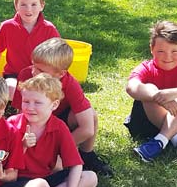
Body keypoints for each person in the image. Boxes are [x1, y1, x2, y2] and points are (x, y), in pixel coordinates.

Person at [12, 38, 112, 176]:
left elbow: (87, 128)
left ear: (61, 74)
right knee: (52, 168)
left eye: (40, 70)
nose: (34, 72)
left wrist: (60, 150)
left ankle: (87, 155)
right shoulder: (26, 74)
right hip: (35, 121)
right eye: (33, 65)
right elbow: (20, 115)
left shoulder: (70, 84)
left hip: (60, 121)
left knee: (91, 116)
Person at [10, 74, 102, 187]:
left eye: (38, 102)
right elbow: (4, 164)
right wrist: (22, 146)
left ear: (54, 105)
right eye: (26, 101)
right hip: (19, 182)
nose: (30, 107)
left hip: (47, 179)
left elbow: (75, 164)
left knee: (90, 177)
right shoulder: (12, 124)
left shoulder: (59, 127)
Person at [126, 20, 177, 161]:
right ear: (151, 49)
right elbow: (131, 87)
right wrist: (158, 96)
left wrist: (173, 93)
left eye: (174, 51)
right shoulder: (146, 68)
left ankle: (160, 141)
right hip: (146, 126)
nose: (167, 57)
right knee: (149, 89)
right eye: (160, 51)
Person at [0, 0, 60, 96]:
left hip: (40, 75)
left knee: (41, 92)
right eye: (23, 5)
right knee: (10, 87)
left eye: (34, 4)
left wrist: (55, 77)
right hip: (14, 75)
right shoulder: (7, 26)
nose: (28, 9)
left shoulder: (49, 29)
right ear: (16, 6)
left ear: (42, 6)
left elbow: (59, 56)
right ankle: (11, 110)